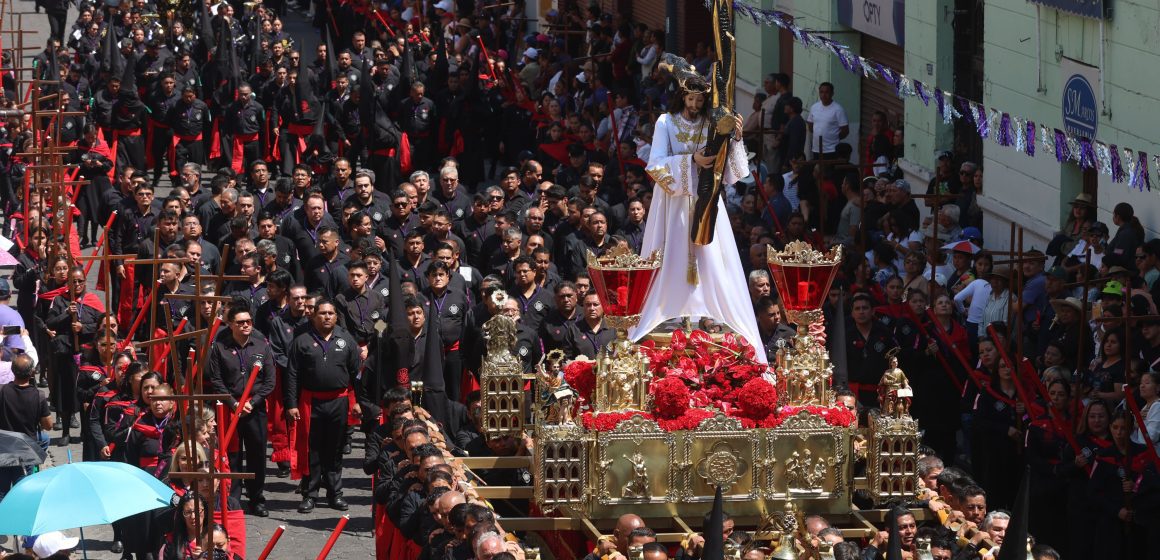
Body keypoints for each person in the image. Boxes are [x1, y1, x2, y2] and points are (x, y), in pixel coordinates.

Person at [629, 69, 766, 363]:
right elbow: (655, 164)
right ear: (682, 97)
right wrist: (691, 160)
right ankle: (669, 313)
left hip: (706, 198)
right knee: (673, 253)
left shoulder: (712, 123)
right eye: (690, 99)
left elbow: (735, 172)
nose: (694, 105)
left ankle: (710, 314)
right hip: (674, 201)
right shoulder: (666, 122)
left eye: (699, 100)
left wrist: (737, 136)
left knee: (713, 258)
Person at [285, 298, 364, 513]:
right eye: (322, 313)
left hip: (339, 402)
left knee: (335, 450)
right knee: (312, 450)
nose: (327, 317)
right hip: (311, 403)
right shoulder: (301, 341)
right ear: (313, 315)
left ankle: (334, 493)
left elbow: (357, 374)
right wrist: (291, 404)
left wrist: (358, 402)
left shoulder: (346, 340)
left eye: (331, 313)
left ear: (336, 316)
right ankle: (310, 494)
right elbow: (291, 375)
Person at [205, 302, 276, 517]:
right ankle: (233, 499)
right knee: (232, 455)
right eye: (240, 322)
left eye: (248, 322)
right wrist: (234, 403)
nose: (246, 325)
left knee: (256, 454)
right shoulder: (220, 347)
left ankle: (257, 498)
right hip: (230, 407)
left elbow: (269, 380)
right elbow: (216, 380)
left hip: (254, 408)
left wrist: (252, 403)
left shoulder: (262, 345)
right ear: (230, 324)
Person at [0, 354, 51, 499]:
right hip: (25, 451)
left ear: (12, 370)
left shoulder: (2, 391)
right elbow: (48, 425)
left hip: (3, 449)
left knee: (2, 493)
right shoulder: (39, 396)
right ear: (32, 372)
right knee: (21, 493)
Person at [805, 82, 848, 159]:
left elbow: (845, 130)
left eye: (826, 92)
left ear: (832, 93)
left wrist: (833, 138)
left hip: (832, 150)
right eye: (821, 92)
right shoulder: (814, 107)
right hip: (816, 149)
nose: (824, 95)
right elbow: (810, 124)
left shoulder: (838, 109)